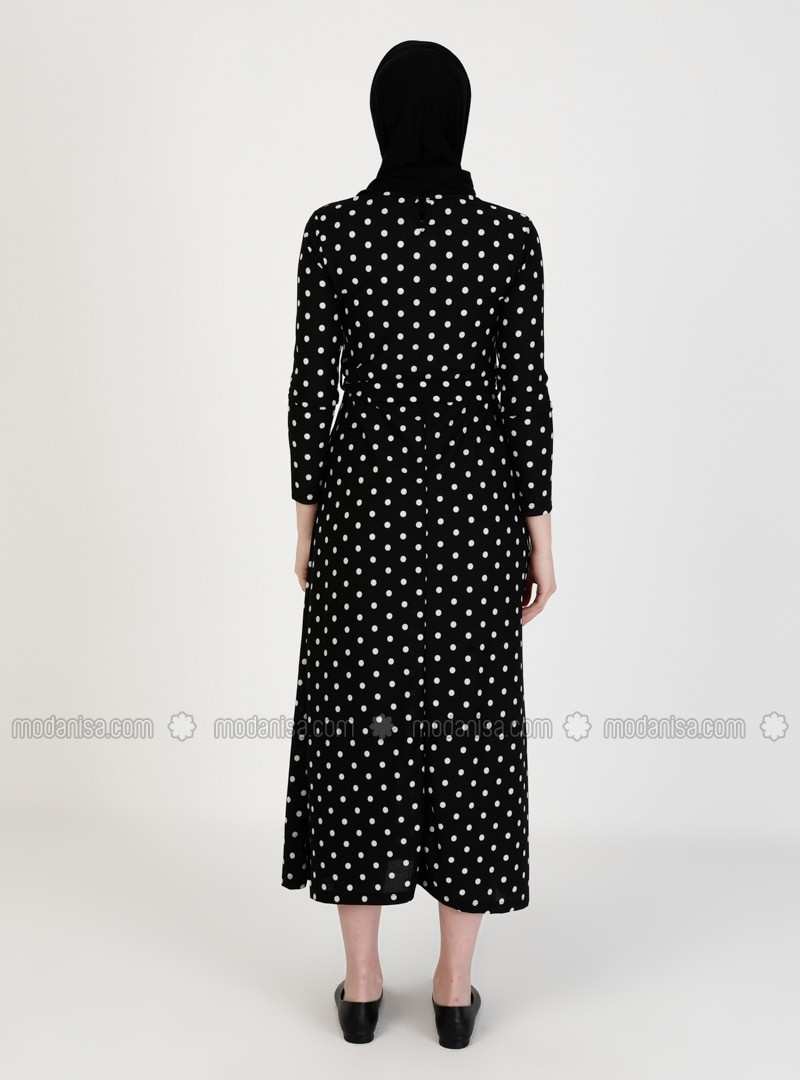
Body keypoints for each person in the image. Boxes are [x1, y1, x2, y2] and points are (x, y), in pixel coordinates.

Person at [282, 40, 555, 1048]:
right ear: (461, 120)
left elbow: (311, 387)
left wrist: (307, 522)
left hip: (363, 504)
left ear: (379, 119)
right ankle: (450, 989)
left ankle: (361, 987)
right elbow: (523, 394)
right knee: (471, 729)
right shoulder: (507, 238)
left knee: (358, 723)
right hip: (474, 506)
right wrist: (539, 532)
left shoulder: (334, 231)